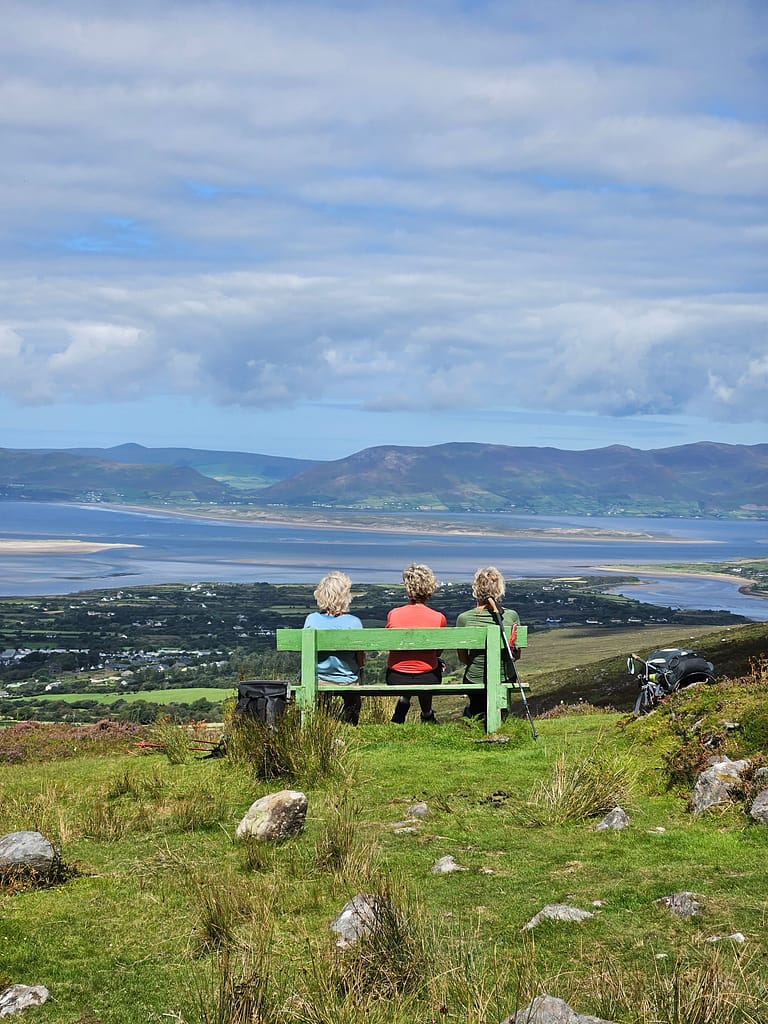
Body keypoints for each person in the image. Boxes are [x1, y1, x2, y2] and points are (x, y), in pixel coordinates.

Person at [456, 566, 520, 720]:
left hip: (475, 677)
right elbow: (516, 655)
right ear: (499, 588)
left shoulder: (464, 619)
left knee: (476, 704)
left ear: (476, 589)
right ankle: (501, 715)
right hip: (505, 676)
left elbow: (462, 657)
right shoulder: (511, 616)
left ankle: (475, 715)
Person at [386, 563, 446, 724]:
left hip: (396, 677)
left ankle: (402, 708)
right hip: (428, 678)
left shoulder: (393, 614)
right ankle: (427, 714)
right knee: (433, 666)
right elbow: (438, 652)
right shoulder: (438, 617)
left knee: (411, 668)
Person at [303, 571, 364, 725]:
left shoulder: (311, 620)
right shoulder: (354, 623)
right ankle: (351, 722)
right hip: (347, 680)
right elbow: (361, 660)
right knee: (356, 681)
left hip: (317, 679)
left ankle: (322, 723)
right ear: (345, 597)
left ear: (321, 595)